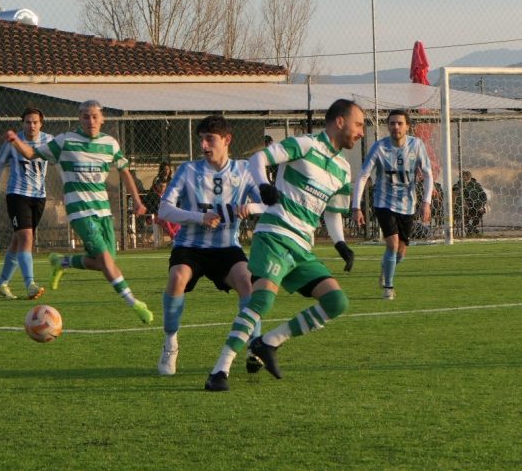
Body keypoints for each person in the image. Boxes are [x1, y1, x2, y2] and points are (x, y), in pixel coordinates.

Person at [205, 99, 362, 392]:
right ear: (340, 121)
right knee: (262, 300)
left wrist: (340, 243)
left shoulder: (343, 168)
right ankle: (220, 370)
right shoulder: (305, 145)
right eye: (359, 124)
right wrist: (264, 185)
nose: (361, 132)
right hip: (275, 234)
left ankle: (269, 342)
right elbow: (258, 159)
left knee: (337, 302)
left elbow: (332, 211)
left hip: (302, 246)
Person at [5, 100, 153, 324]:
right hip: (80, 211)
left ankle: (63, 262)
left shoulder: (110, 143)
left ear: (102, 119)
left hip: (103, 211)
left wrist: (138, 201)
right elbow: (31, 154)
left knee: (107, 261)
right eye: (85, 116)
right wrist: (16, 141)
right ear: (79, 119)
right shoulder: (65, 141)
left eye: (94, 116)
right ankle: (134, 302)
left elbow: (124, 171)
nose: (90, 121)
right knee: (105, 260)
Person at [155, 115, 264, 376]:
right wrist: (198, 217)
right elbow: (164, 209)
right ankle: (170, 344)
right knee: (177, 276)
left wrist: (250, 207)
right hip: (190, 245)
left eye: (210, 139)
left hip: (226, 247)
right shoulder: (188, 170)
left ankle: (254, 346)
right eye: (201, 139)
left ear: (227, 140)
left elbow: (269, 205)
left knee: (247, 281)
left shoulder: (244, 170)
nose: (204, 145)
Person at [351, 109, 433, 300]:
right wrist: (356, 207)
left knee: (401, 252)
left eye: (399, 123)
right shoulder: (379, 147)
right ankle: (388, 288)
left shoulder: (416, 145)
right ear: (387, 126)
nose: (396, 127)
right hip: (383, 202)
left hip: (408, 204)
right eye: (392, 123)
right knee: (393, 245)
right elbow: (363, 175)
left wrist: (426, 203)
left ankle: (386, 268)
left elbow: (428, 174)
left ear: (407, 126)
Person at [0, 107, 52, 300]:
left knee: (17, 242)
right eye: (27, 122)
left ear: (41, 124)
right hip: (17, 195)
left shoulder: (49, 140)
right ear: (22, 123)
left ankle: (1, 283)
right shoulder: (13, 142)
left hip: (39, 196)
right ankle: (30, 284)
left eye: (35, 122)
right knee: (26, 238)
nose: (31, 125)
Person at [143, 161, 179, 240]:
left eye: (168, 169)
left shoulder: (171, 181)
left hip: (168, 210)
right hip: (157, 214)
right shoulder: (155, 190)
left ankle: (178, 237)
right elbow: (152, 204)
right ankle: (175, 238)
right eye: (165, 169)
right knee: (166, 220)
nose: (166, 171)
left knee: (177, 219)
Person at [453, 171, 487, 235]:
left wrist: (482, 205)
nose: (462, 178)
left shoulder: (476, 185)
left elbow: (484, 196)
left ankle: (472, 229)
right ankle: (471, 229)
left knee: (480, 212)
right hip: (464, 206)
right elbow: (455, 191)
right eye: (461, 177)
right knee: (463, 213)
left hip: (476, 206)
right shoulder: (458, 185)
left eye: (463, 176)